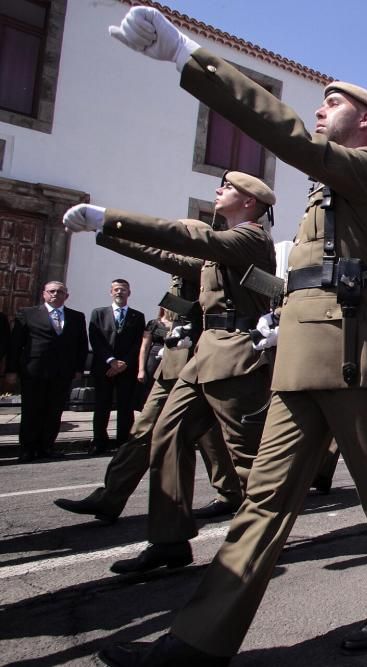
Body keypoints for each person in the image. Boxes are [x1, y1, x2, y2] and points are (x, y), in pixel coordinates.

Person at [95, 7, 367, 660]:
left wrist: (193, 58)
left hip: (356, 357)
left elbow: (293, 139)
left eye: (333, 101)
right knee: (262, 503)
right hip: (301, 358)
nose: (321, 108)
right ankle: (194, 640)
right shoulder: (322, 195)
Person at [65, 170, 277, 573]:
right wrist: (108, 234)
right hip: (201, 358)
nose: (219, 190)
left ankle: (264, 536)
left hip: (235, 357)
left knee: (248, 456)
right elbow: (170, 258)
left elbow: (193, 245)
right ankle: (169, 540)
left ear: (250, 202)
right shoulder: (217, 252)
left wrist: (108, 217)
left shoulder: (249, 238)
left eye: (228, 187)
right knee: (166, 435)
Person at [6, 281, 88, 462]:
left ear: (66, 296)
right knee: (31, 411)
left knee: (54, 411)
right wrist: (11, 370)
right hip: (34, 370)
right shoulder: (28, 314)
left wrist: (78, 369)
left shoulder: (76, 316)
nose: (55, 295)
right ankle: (27, 449)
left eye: (60, 292)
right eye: (51, 291)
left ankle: (47, 447)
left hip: (62, 372)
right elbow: (16, 344)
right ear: (44, 294)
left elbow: (81, 344)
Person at [89, 279, 146, 454]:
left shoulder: (137, 316)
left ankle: (123, 441)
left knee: (126, 407)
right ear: (111, 292)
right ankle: (99, 441)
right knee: (102, 405)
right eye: (116, 289)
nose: (119, 292)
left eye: (123, 290)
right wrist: (111, 360)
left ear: (129, 293)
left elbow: (138, 342)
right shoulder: (98, 313)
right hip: (104, 368)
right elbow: (95, 339)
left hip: (127, 369)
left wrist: (124, 363)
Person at [135, 306, 174, 407]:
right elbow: (144, 347)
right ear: (163, 308)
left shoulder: (180, 324)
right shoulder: (153, 323)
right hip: (154, 360)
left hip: (173, 360)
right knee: (150, 390)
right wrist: (141, 370)